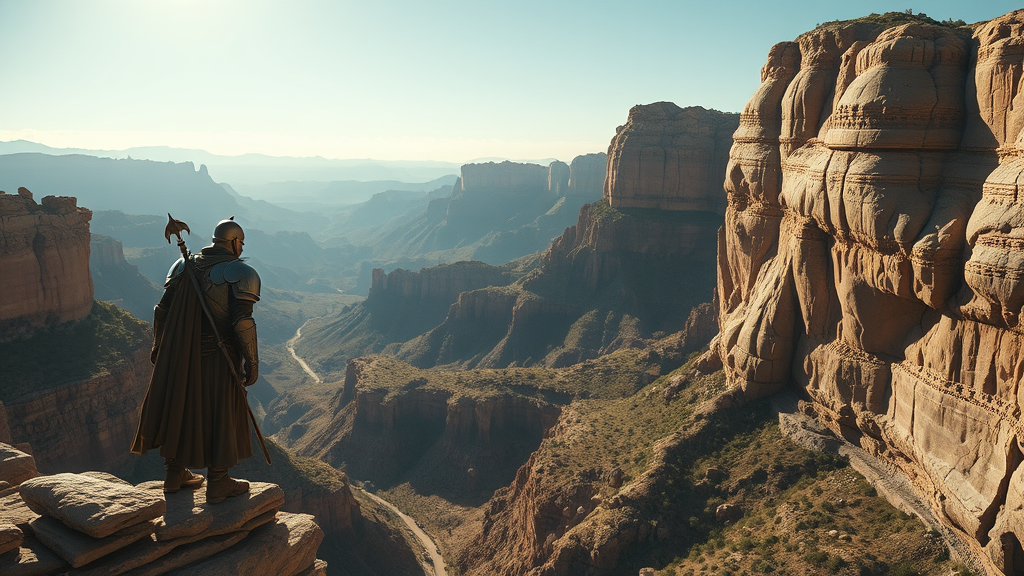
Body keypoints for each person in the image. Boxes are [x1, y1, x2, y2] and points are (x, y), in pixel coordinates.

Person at [131, 217, 260, 503]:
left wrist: (159, 346)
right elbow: (242, 323)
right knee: (220, 411)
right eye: (241, 243)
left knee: (180, 406)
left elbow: (161, 311)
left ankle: (174, 474)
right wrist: (253, 363)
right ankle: (218, 482)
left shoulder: (184, 265)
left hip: (179, 353)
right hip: (218, 354)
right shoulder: (240, 272)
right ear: (235, 243)